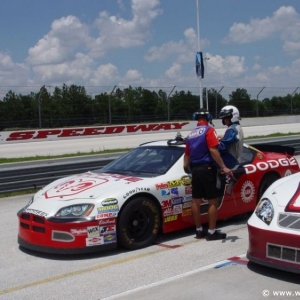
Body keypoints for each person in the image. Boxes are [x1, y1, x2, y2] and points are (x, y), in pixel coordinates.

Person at [183, 108, 232, 241]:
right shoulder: (209, 130)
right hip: (207, 168)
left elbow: (186, 155)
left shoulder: (191, 134)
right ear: (208, 118)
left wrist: (186, 167)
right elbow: (213, 149)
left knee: (196, 201)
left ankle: (199, 230)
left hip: (195, 169)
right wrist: (223, 166)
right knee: (212, 201)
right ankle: (211, 232)